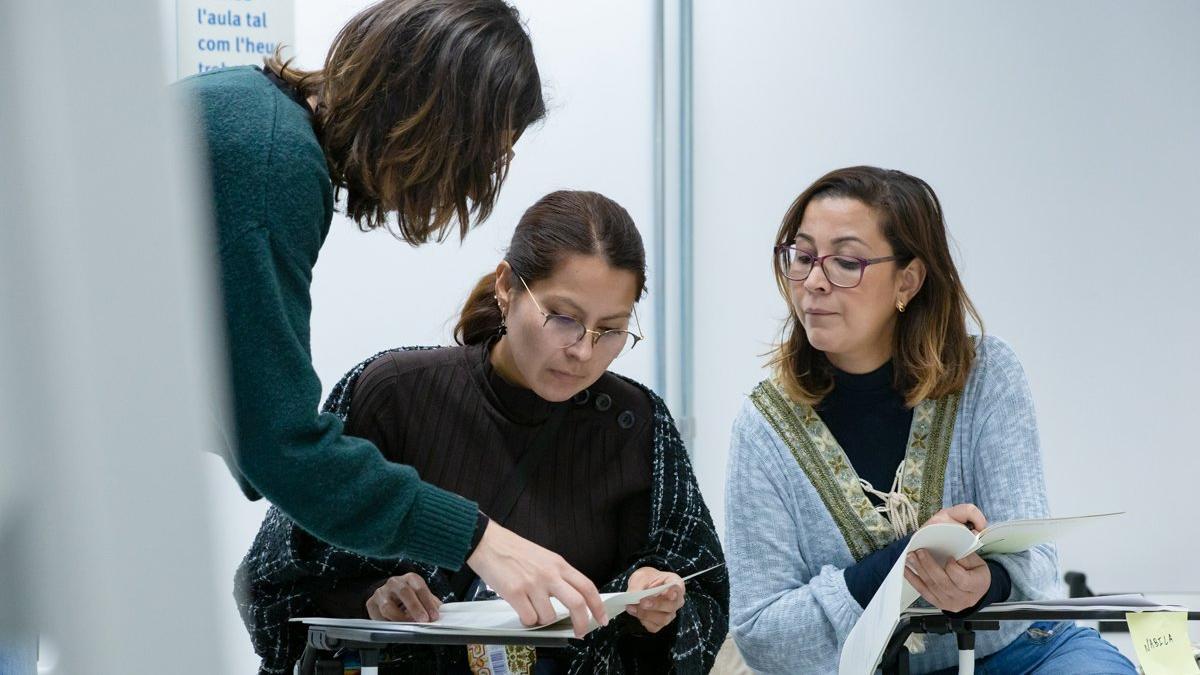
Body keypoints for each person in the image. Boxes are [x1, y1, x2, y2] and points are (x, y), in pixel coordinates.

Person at [174, 0, 609, 629]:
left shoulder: (248, 109)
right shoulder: (274, 163)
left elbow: (243, 420)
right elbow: (278, 447)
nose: (479, 180)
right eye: (483, 156)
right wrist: (480, 539)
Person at [236, 191, 728, 674]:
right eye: (563, 318)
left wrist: (653, 601)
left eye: (611, 331)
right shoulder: (392, 394)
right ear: (507, 287)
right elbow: (269, 585)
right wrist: (370, 597)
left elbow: (702, 596)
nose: (583, 351)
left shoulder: (639, 424)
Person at [724, 166, 1135, 673]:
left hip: (1020, 655)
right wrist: (900, 566)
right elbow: (762, 636)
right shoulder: (763, 427)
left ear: (908, 279)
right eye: (802, 257)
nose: (813, 282)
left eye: (846, 262)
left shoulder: (987, 376)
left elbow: (1035, 569)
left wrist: (987, 583)